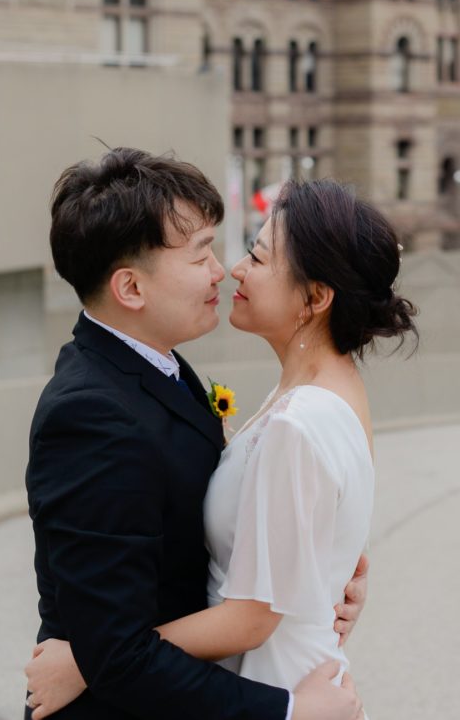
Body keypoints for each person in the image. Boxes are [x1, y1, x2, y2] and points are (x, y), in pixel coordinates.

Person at [26, 178, 417, 717]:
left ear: (316, 297)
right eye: (202, 253)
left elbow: (254, 611)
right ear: (131, 289)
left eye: (254, 255)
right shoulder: (93, 411)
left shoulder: (291, 412)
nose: (226, 269)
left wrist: (90, 660)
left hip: (275, 684)